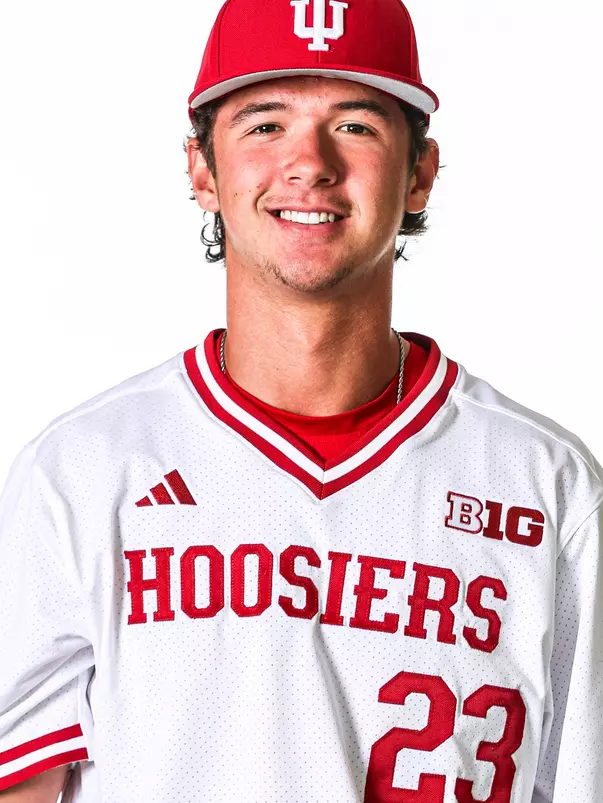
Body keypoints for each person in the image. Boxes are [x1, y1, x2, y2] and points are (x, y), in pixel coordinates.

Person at [1, 0, 601, 800]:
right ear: (201, 169)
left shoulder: (546, 486)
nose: (309, 163)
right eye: (263, 124)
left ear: (419, 171)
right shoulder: (81, 470)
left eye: (355, 125)